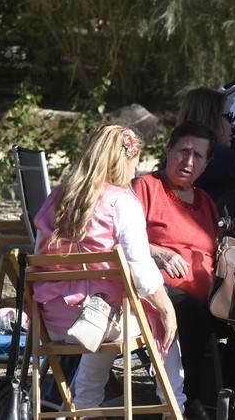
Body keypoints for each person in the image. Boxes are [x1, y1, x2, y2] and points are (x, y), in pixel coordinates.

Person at [31, 125, 187, 415]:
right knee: (155, 315)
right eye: (135, 160)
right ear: (125, 159)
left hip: (52, 319)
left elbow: (38, 254)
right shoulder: (121, 202)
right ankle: (174, 406)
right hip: (98, 320)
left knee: (112, 313)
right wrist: (166, 308)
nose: (136, 169)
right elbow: (141, 270)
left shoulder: (56, 198)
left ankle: (86, 405)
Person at [132, 122, 219, 417]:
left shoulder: (206, 202)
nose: (189, 161)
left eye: (198, 155)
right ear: (168, 151)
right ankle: (193, 404)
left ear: (207, 164)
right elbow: (120, 239)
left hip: (207, 295)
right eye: (183, 151)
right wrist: (158, 252)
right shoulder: (146, 188)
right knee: (195, 312)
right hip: (158, 293)